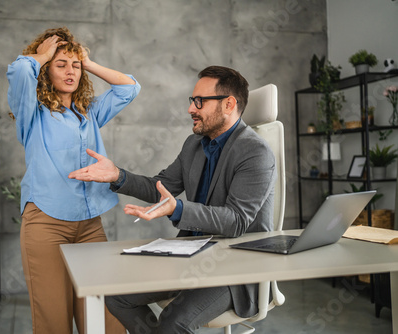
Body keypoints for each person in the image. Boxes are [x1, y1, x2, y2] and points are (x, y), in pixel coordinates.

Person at [68, 66, 276, 333]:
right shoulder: (194, 145)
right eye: (192, 101)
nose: (191, 108)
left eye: (199, 101)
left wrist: (177, 208)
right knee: (117, 295)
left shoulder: (255, 152)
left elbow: (236, 222)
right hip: (191, 254)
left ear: (229, 104)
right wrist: (116, 175)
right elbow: (160, 189)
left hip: (236, 266)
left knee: (173, 320)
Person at [6, 26, 140, 334]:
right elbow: (18, 71)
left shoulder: (89, 112)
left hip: (90, 225)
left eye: (75, 65)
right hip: (45, 224)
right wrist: (41, 55)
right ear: (45, 71)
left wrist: (87, 62)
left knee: (108, 322)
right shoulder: (32, 113)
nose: (70, 71)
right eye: (60, 64)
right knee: (54, 322)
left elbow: (129, 87)